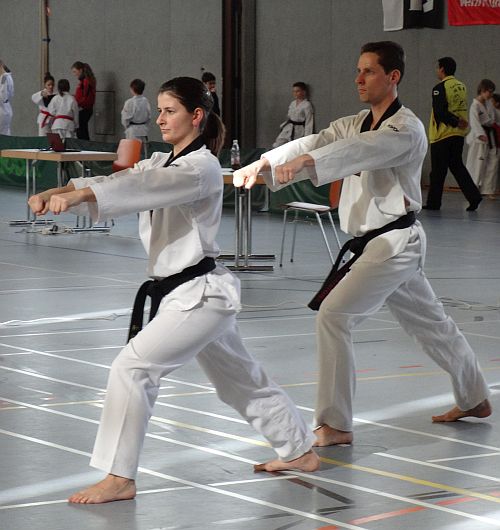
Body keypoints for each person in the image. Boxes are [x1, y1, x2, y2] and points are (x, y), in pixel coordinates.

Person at [28, 76, 319, 504]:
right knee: (239, 380)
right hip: (186, 295)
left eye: (169, 111)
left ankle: (120, 477)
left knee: (132, 368)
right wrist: (57, 191)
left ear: (196, 116)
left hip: (199, 296)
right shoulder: (162, 160)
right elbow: (120, 180)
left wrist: (75, 198)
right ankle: (299, 449)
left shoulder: (200, 167)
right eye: (160, 111)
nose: (161, 119)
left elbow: (141, 189)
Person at [234, 41, 492, 447]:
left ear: (393, 76)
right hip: (376, 243)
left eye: (368, 71)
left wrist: (307, 164)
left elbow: (361, 151)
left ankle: (335, 423)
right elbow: (315, 142)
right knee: (432, 326)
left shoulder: (406, 128)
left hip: (393, 243)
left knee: (334, 316)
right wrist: (264, 163)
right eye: (358, 70)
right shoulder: (354, 122)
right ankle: (475, 397)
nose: (358, 78)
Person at [423, 57, 482, 211]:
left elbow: (440, 112)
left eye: (437, 68)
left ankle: (434, 203)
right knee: (457, 166)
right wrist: (458, 123)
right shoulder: (462, 86)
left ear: (442, 69)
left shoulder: (439, 88)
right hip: (458, 135)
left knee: (438, 171)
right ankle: (474, 196)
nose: (437, 71)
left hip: (442, 134)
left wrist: (455, 121)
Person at [465, 79, 497, 199]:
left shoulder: (489, 104)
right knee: (476, 164)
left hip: (490, 136)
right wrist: (480, 134)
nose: (490, 94)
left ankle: (488, 189)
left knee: (491, 164)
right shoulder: (475, 105)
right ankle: (472, 189)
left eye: (492, 92)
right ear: (482, 90)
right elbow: (474, 122)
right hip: (478, 138)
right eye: (489, 91)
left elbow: (493, 119)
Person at [272, 82, 314, 148]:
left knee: (293, 147)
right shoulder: (293, 103)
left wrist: (307, 138)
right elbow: (289, 116)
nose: (295, 93)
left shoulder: (307, 105)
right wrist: (284, 125)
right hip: (288, 127)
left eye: (297, 91)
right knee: (278, 144)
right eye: (294, 91)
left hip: (299, 130)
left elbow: (309, 122)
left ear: (303, 92)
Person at [120, 78, 151, 144]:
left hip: (133, 131)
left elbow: (125, 118)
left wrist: (126, 126)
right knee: (143, 148)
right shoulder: (146, 101)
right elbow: (149, 117)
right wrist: (145, 126)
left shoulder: (129, 102)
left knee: (132, 148)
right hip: (143, 129)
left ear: (132, 89)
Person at [71, 61, 96, 140]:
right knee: (82, 131)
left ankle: (85, 146)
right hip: (84, 108)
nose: (74, 74)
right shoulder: (84, 81)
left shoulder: (86, 82)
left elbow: (85, 97)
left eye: (75, 71)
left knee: (82, 132)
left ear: (80, 70)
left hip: (84, 109)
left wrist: (76, 102)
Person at [0, 60, 14, 135]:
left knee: (3, 135)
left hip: (2, 110)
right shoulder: (7, 77)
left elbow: (3, 97)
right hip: (5, 108)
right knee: (5, 133)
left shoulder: (4, 78)